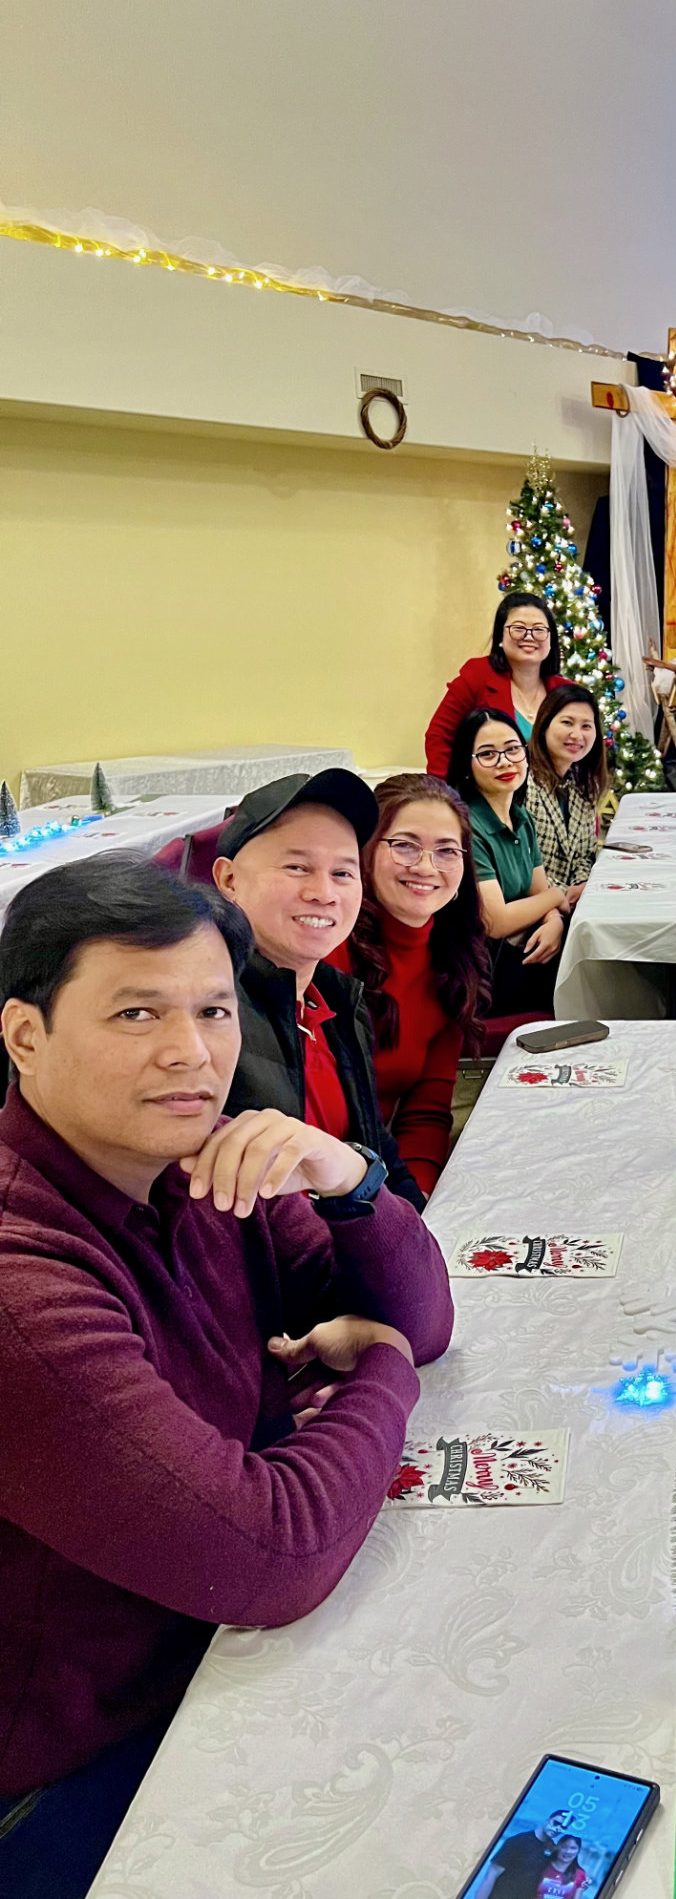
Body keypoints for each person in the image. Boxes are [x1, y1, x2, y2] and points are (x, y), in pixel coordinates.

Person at [0, 856, 452, 1898]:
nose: (191, 1052)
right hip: (82, 1762)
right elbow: (275, 1548)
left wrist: (346, 1176)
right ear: (24, 1035)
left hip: (222, 1652)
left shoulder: (195, 1167)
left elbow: (424, 1319)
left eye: (211, 1008)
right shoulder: (21, 1281)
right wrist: (378, 1369)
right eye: (136, 1012)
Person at [211, 769, 424, 1208]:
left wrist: (423, 1228)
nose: (324, 893)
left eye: (343, 873)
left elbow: (377, 1149)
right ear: (229, 880)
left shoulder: (337, 1001)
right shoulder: (205, 1015)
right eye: (297, 867)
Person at [328, 774, 493, 1197]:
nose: (425, 867)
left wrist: (416, 1201)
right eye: (404, 845)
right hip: (322, 1184)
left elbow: (426, 1110)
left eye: (446, 851)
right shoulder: (328, 952)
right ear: (365, 852)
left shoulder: (453, 959)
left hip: (383, 1177)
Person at [448, 708, 569, 1015]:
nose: (504, 762)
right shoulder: (467, 826)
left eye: (513, 749)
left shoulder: (520, 817)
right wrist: (558, 896)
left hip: (520, 949)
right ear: (467, 764)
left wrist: (553, 921)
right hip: (485, 970)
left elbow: (537, 892)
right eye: (488, 754)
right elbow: (496, 921)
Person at [425, 591, 566, 776]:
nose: (529, 636)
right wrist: (446, 791)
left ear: (551, 639)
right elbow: (439, 736)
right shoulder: (477, 676)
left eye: (539, 630)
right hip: (487, 791)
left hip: (553, 792)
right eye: (518, 628)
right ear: (500, 636)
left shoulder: (565, 691)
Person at [526, 681, 608, 901]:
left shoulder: (584, 783)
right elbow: (519, 863)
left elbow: (585, 855)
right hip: (530, 904)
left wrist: (581, 887)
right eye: (567, 722)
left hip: (573, 903)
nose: (577, 735)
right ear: (544, 725)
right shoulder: (522, 782)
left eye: (586, 726)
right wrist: (563, 894)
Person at [469, 1810, 569, 1899]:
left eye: (563, 1827)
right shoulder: (518, 1841)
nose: (557, 1828)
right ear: (547, 1820)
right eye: (556, 1823)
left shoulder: (553, 1850)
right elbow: (491, 1875)